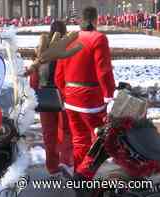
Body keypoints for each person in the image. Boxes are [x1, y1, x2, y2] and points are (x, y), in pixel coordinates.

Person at [55, 6, 115, 182]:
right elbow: (103, 70)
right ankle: (84, 175)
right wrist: (108, 95)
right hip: (91, 99)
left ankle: (80, 176)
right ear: (96, 19)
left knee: (80, 140)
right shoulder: (99, 38)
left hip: (71, 98)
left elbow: (59, 73)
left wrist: (65, 93)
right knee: (100, 141)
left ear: (80, 20)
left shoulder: (69, 39)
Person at [29, 21, 73, 178]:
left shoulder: (41, 49)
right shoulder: (68, 49)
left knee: (49, 134)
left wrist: (34, 92)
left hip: (45, 96)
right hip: (63, 96)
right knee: (66, 131)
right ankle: (66, 161)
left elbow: (33, 76)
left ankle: (52, 167)